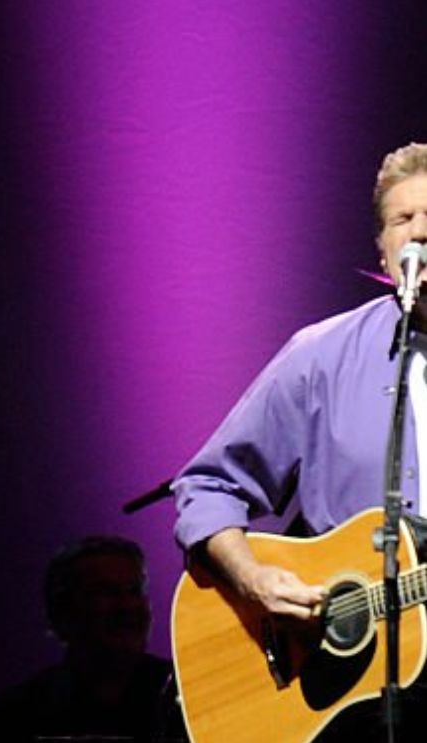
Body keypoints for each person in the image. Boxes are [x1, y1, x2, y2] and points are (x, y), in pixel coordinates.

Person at [172, 142, 427, 737]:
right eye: (403, 220)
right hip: (344, 701)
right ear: (383, 251)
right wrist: (253, 580)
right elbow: (208, 486)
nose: (420, 233)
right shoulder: (321, 357)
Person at [0, 536, 177, 742]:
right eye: (105, 592)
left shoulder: (184, 694)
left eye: (134, 591)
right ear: (62, 611)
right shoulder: (17, 717)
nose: (127, 606)